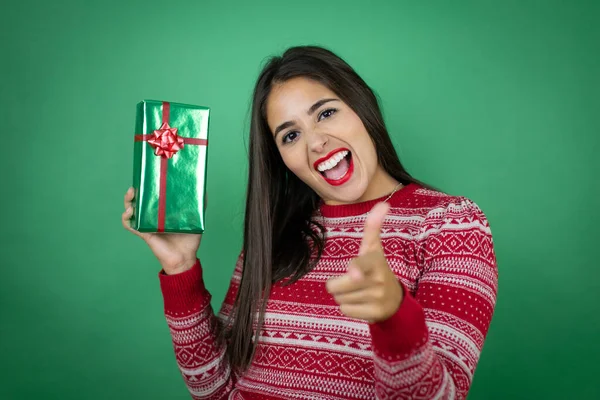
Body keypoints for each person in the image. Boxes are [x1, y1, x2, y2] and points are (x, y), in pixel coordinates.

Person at [122, 46, 498, 400]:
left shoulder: (451, 225)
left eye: (326, 112)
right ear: (281, 158)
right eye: (290, 135)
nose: (315, 142)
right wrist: (180, 269)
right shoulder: (274, 235)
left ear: (361, 106)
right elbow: (217, 391)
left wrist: (394, 317)